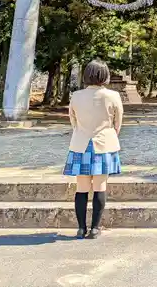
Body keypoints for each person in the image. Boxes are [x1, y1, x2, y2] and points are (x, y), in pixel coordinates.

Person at [63, 59, 123, 239]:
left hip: (80, 143)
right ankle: (95, 228)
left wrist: (81, 131)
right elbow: (118, 122)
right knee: (100, 186)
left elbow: (72, 120)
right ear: (105, 76)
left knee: (81, 188)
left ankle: (81, 228)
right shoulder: (113, 96)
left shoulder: (76, 96)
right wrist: (111, 134)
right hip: (104, 143)